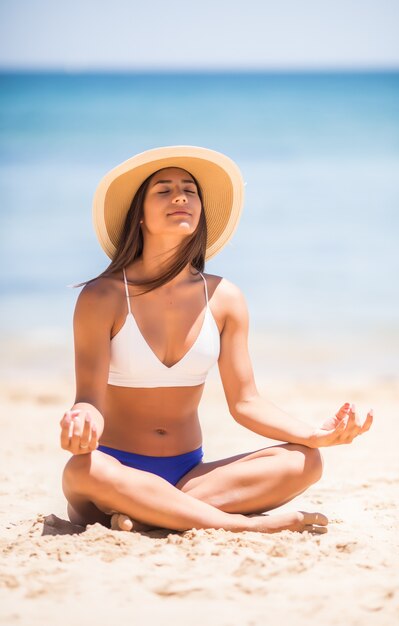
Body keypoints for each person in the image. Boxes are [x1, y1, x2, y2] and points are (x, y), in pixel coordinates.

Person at [60, 146, 373, 535]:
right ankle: (243, 527)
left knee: (306, 462)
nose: (180, 197)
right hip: (115, 470)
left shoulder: (225, 298)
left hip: (192, 478)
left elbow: (246, 402)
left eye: (189, 190)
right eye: (163, 190)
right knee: (83, 469)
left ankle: (147, 514)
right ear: (138, 215)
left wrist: (314, 435)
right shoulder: (102, 296)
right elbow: (88, 398)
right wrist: (83, 419)